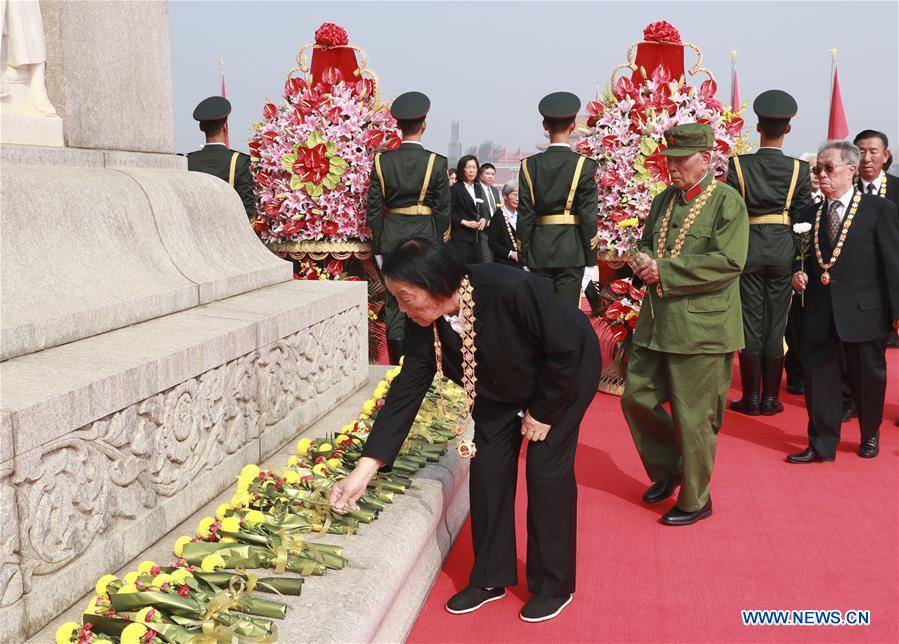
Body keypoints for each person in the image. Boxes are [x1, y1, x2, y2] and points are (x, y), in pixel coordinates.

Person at [329, 237, 601, 623]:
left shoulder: (511, 288)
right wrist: (364, 471)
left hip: (562, 376)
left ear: (436, 282)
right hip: (494, 386)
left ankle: (552, 585)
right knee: (488, 471)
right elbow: (408, 389)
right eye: (398, 299)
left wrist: (542, 412)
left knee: (545, 471)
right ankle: (490, 577)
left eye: (406, 297)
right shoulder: (424, 319)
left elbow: (567, 349)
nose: (402, 308)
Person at [621, 123, 748, 526]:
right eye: (668, 161)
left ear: (706, 159)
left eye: (680, 161)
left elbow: (729, 262)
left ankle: (696, 500)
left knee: (695, 418)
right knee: (635, 398)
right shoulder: (663, 201)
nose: (672, 168)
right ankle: (672, 468)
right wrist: (641, 259)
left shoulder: (727, 202)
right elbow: (645, 242)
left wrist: (666, 271)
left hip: (702, 331)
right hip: (657, 323)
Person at [788, 141, 899, 463]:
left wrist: (896, 313)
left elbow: (892, 264)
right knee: (819, 381)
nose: (821, 175)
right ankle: (822, 443)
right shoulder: (809, 214)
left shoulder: (878, 210)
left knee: (868, 379)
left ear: (851, 170)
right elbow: (800, 260)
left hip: (865, 311)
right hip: (820, 311)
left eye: (828, 168)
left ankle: (869, 433)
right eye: (817, 169)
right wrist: (797, 276)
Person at [727, 90, 811, 416]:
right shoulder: (799, 170)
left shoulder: (738, 165)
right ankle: (771, 399)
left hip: (748, 249)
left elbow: (731, 215)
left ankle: (750, 398)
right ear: (788, 129)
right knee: (776, 327)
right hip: (783, 252)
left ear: (757, 126)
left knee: (750, 324)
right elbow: (802, 220)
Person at [366, 91, 451, 364]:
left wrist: (378, 244)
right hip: (424, 238)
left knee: (395, 304)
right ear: (423, 125)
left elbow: (375, 210)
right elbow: (442, 210)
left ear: (398, 127)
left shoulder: (382, 161)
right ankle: (421, 363)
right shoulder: (436, 163)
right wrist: (439, 243)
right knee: (423, 298)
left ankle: (396, 365)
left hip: (392, 238)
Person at [518, 92, 598, 308]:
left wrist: (523, 255)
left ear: (545, 125)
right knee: (567, 315)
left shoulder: (528, 166)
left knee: (541, 313)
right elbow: (588, 216)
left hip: (539, 250)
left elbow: (525, 215)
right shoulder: (584, 165)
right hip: (571, 251)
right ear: (573, 126)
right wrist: (590, 258)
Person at [854, 129, 899, 349]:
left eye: (873, 151)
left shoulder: (897, 188)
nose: (867, 158)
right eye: (861, 152)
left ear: (886, 155)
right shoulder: (844, 187)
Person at [784, 152, 824, 395]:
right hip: (799, 273)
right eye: (813, 170)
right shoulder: (796, 202)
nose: (819, 175)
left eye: (823, 169)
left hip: (824, 274)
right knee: (796, 325)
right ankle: (795, 373)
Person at [187, 96, 256, 220]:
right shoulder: (239, 161)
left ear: (201, 127)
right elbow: (248, 212)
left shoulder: (186, 161)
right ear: (225, 127)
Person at [448, 154, 489, 264]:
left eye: (474, 167)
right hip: (461, 238)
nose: (472, 171)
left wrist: (483, 219)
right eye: (468, 167)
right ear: (462, 169)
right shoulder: (455, 189)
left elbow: (481, 210)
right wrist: (465, 222)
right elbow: (449, 213)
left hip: (476, 238)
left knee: (477, 271)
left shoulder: (477, 188)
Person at [488, 180, 522, 267]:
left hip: (523, 262)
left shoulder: (522, 214)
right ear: (505, 196)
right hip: (505, 264)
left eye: (519, 195)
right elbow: (493, 243)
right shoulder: (498, 216)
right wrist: (510, 253)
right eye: (514, 195)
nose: (517, 198)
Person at [477, 163, 500, 262]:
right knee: (486, 261)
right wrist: (486, 221)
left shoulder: (494, 191)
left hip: (494, 233)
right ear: (480, 174)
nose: (491, 176)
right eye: (487, 174)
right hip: (481, 232)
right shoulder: (475, 188)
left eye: (493, 174)